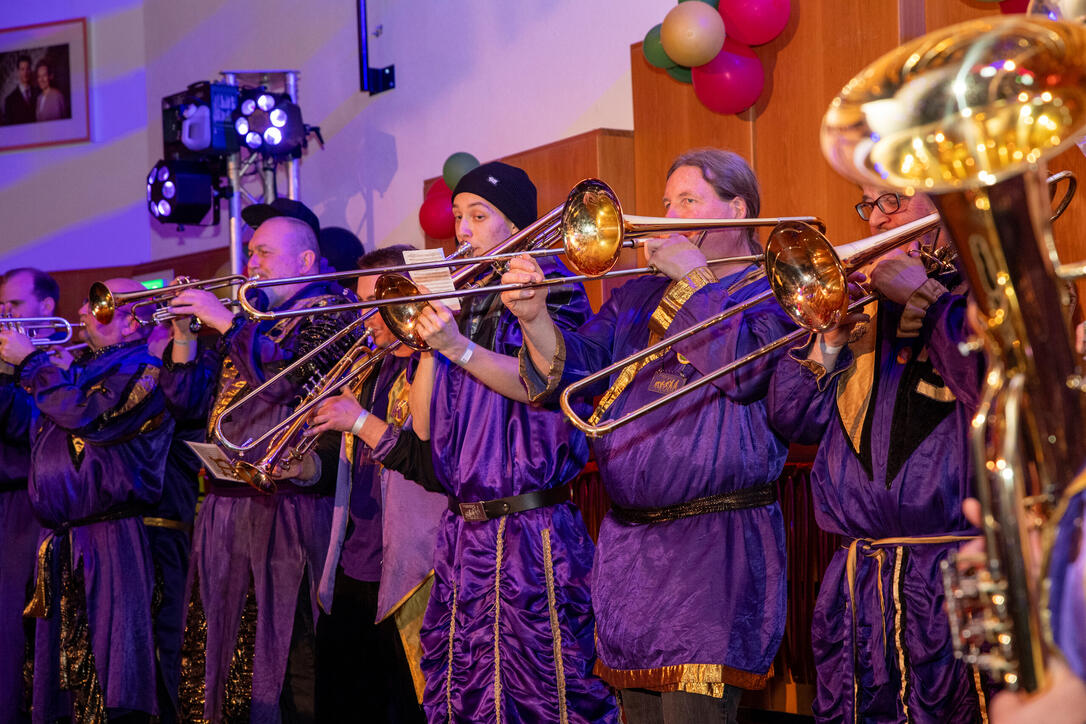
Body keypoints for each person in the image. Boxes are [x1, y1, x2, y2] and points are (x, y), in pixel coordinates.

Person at [306, 161, 619, 723]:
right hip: (463, 534)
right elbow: (425, 430)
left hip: (531, 531)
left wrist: (458, 349)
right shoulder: (461, 301)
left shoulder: (549, 287)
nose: (463, 230)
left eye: (480, 215)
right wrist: (428, 340)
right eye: (457, 217)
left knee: (544, 691)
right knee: (461, 693)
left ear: (516, 225)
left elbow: (542, 384)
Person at [502, 148, 790, 723]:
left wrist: (695, 279)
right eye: (666, 203)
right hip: (631, 557)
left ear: (738, 211)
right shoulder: (637, 294)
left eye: (688, 201)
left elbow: (745, 371)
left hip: (714, 550)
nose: (666, 216)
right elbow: (580, 369)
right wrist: (535, 317)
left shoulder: (778, 288)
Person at [767, 186, 988, 722]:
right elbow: (790, 418)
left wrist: (926, 298)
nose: (876, 219)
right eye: (868, 204)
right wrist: (827, 340)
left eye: (893, 200)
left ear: (945, 201)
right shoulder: (860, 305)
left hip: (956, 577)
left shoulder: (984, 294)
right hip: (859, 581)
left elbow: (993, 385)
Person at [162, 211, 356, 722]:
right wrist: (184, 335)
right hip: (224, 510)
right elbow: (185, 404)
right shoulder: (253, 319)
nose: (251, 264)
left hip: (288, 512)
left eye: (264, 253)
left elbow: (289, 379)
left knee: (291, 656)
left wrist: (226, 323)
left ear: (306, 260)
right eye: (250, 253)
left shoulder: (334, 310)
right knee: (221, 657)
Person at [0, 278, 174, 723]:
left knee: (112, 677)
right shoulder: (80, 369)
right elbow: (27, 429)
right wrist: (9, 376)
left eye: (100, 306)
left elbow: (92, 420)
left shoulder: (145, 369)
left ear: (135, 320)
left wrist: (34, 364)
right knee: (62, 687)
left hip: (109, 539)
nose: (81, 312)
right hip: (64, 541)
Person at [312, 244, 428, 723]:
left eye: (374, 305)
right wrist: (302, 470)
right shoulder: (368, 366)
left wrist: (359, 421)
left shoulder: (431, 366)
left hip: (411, 576)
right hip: (352, 567)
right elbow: (341, 472)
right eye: (361, 304)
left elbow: (433, 462)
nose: (366, 319)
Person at [0, 267, 59, 724]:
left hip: (30, 507)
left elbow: (29, 427)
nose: (5, 314)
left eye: (14, 306)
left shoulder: (60, 366)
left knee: (19, 632)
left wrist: (11, 374)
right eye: (2, 306)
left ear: (46, 308)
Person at [3, 55, 38, 125]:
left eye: (27, 69)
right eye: (22, 69)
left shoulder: (38, 93)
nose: (25, 73)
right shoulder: (9, 100)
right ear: (18, 71)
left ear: (30, 70)